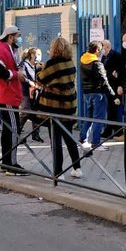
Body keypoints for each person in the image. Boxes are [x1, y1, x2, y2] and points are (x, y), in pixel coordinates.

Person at [37, 36, 82, 179]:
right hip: (69, 105)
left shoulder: (52, 64)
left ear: (54, 49)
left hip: (54, 107)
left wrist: (39, 70)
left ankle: (58, 172)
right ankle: (77, 168)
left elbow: (40, 79)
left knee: (55, 139)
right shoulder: (70, 63)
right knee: (69, 137)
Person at [0, 25, 25, 175]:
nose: (19, 38)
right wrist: (15, 75)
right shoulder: (2, 49)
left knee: (8, 130)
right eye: (17, 36)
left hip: (7, 95)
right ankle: (11, 164)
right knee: (13, 129)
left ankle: (6, 163)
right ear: (11, 37)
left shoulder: (6, 48)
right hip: (7, 95)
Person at [79, 41, 116, 151]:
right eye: (101, 49)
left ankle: (82, 139)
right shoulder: (97, 63)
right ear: (97, 50)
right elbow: (104, 80)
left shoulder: (82, 61)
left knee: (88, 117)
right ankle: (95, 143)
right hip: (98, 94)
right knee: (98, 119)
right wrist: (113, 95)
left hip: (87, 93)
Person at [101, 39, 126, 139]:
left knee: (115, 108)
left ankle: (116, 131)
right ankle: (111, 130)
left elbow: (122, 71)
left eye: (102, 46)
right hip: (107, 86)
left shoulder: (116, 56)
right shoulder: (103, 57)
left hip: (115, 86)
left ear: (108, 47)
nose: (101, 49)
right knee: (110, 109)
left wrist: (121, 85)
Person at [18, 47, 44, 143]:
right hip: (26, 92)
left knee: (36, 113)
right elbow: (22, 77)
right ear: (32, 55)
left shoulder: (36, 66)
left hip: (35, 92)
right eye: (38, 54)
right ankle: (17, 133)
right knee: (25, 113)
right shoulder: (24, 64)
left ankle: (35, 135)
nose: (39, 57)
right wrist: (30, 83)